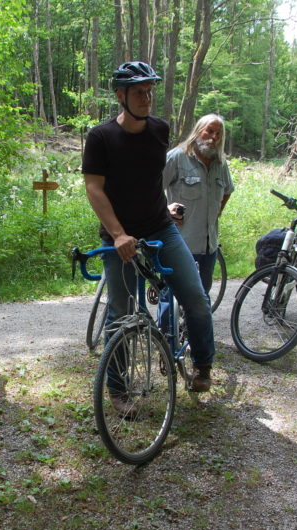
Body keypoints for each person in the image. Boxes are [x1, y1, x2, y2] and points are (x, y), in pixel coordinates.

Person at [81, 61, 216, 411]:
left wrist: (168, 207)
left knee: (196, 298)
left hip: (161, 228)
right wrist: (118, 234)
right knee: (122, 313)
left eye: (150, 91)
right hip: (119, 237)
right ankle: (118, 389)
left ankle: (203, 365)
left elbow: (153, 180)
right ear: (120, 96)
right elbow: (94, 189)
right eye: (139, 92)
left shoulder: (160, 129)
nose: (147, 98)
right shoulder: (101, 137)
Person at [163, 113, 234, 299]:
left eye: (218, 134)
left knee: (201, 297)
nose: (214, 138)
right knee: (171, 297)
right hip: (180, 244)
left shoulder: (220, 163)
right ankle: (166, 329)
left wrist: (217, 212)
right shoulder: (177, 157)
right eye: (209, 131)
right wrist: (165, 211)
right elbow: (151, 189)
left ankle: (191, 329)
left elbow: (227, 190)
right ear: (198, 131)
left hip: (209, 247)